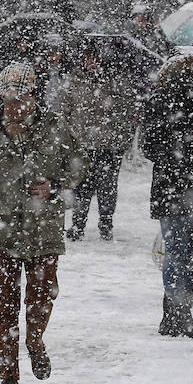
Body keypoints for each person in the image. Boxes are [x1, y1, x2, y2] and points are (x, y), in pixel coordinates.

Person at [0, 62, 86, 384]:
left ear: (33, 96)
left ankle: (35, 340)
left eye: (18, 99)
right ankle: (8, 376)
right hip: (0, 230)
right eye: (6, 99)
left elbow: (80, 168)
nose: (11, 106)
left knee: (41, 298)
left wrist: (55, 188)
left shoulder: (56, 128)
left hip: (43, 230)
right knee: (4, 307)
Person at [140, 52, 193, 338]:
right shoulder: (167, 103)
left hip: (183, 189)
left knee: (186, 251)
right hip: (180, 189)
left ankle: (176, 310)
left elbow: (149, 146)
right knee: (181, 250)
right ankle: (177, 311)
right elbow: (150, 146)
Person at [61, 48, 139, 241]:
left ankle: (106, 224)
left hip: (110, 144)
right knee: (82, 186)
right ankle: (78, 225)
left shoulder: (117, 81)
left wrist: (115, 105)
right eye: (88, 59)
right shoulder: (75, 80)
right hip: (83, 144)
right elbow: (65, 109)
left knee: (107, 186)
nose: (92, 63)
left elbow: (130, 111)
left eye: (96, 59)